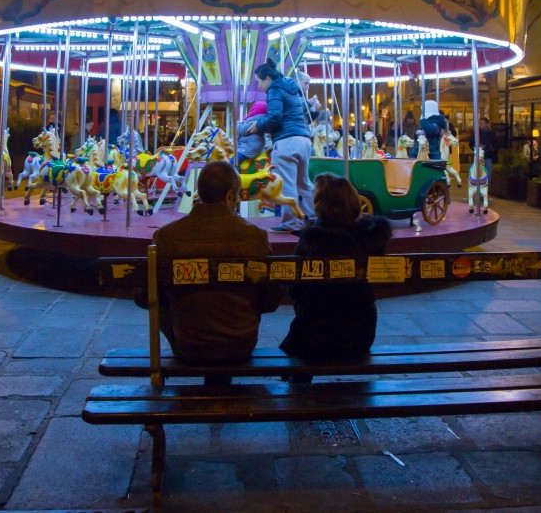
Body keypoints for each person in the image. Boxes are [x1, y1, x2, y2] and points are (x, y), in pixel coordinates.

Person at [148, 161, 281, 364]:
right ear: (229, 196)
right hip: (240, 344)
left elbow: (144, 297)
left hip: (188, 344)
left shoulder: (166, 236)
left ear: (200, 193)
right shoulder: (256, 237)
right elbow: (270, 302)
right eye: (237, 196)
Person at [279, 173, 391, 360]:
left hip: (316, 336)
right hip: (360, 335)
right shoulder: (372, 239)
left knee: (308, 317)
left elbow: (295, 289)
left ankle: (298, 379)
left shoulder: (311, 242)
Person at [246, 59, 316, 232]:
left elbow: (275, 116)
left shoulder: (275, 89)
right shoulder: (292, 89)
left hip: (287, 141)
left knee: (286, 184)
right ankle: (312, 218)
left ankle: (290, 222)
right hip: (304, 140)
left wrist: (258, 125)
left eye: (260, 81)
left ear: (267, 78)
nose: (260, 86)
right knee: (304, 182)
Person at [236, 101, 268, 166]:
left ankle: (234, 174)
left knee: (234, 161)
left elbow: (242, 130)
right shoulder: (262, 120)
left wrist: (237, 123)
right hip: (252, 145)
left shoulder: (253, 121)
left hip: (248, 147)